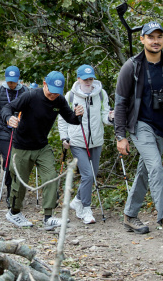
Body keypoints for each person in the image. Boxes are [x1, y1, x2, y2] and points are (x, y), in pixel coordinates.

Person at [114, 21, 163, 242]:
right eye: (151, 37)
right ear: (142, 39)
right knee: (156, 167)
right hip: (141, 125)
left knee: (146, 171)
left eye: (159, 36)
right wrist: (120, 135)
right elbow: (120, 103)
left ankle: (130, 215)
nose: (155, 41)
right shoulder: (132, 67)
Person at [1, 71, 84, 230]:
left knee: (51, 177)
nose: (53, 95)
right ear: (44, 84)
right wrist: (8, 118)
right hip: (22, 146)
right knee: (19, 183)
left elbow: (71, 119)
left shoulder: (59, 100)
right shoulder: (31, 96)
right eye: (50, 90)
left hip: (42, 146)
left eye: (56, 92)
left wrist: (78, 115)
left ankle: (48, 217)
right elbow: (8, 107)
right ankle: (14, 212)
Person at [58, 65, 114, 224]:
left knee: (91, 175)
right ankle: (86, 209)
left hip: (96, 141)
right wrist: (64, 137)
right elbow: (62, 119)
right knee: (88, 175)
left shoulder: (101, 94)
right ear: (78, 79)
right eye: (85, 79)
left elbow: (104, 115)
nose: (89, 82)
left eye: (91, 78)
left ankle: (77, 201)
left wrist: (110, 118)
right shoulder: (70, 96)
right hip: (77, 141)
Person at [0, 66, 28, 203]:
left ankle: (11, 192)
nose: (12, 84)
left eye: (14, 82)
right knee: (4, 161)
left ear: (18, 80)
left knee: (12, 163)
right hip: (1, 131)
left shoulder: (25, 91)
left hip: (19, 132)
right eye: (9, 82)